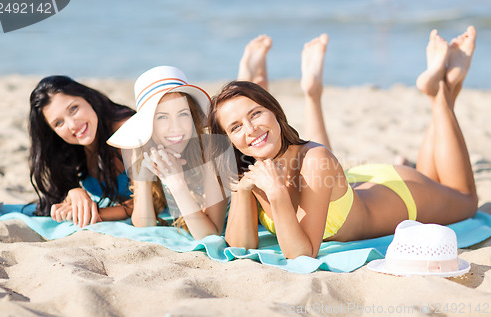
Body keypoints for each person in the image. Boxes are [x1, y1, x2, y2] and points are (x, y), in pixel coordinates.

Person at [207, 27, 478, 259]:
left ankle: (439, 94)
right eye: (236, 127)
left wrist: (277, 195)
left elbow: (303, 254)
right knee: (432, 176)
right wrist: (242, 192)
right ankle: (447, 85)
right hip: (363, 182)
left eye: (255, 113)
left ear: (275, 112)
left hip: (402, 195)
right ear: (229, 140)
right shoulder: (252, 168)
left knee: (466, 200)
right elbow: (240, 246)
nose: (251, 129)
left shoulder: (315, 159)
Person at [107, 66, 230, 240]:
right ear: (148, 125)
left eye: (183, 114)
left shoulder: (212, 153)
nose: (176, 127)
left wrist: (176, 183)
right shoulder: (142, 151)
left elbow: (209, 234)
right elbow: (144, 224)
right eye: (162, 117)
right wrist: (144, 177)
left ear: (193, 117)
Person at [29, 76, 136, 227]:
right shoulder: (72, 148)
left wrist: (96, 213)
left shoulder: (125, 130)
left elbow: (150, 201)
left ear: (88, 99)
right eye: (59, 123)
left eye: (74, 108)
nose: (72, 125)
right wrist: (74, 192)